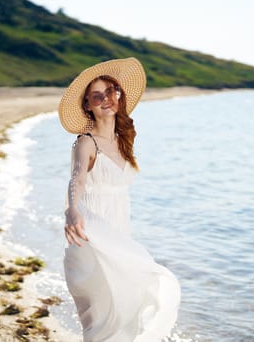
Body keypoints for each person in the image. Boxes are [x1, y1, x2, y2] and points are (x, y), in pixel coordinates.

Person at [58, 58, 181, 342]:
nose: (106, 99)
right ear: (87, 105)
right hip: (91, 234)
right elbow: (76, 178)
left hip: (119, 233)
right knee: (102, 314)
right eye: (97, 96)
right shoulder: (85, 142)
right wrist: (72, 210)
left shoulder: (124, 140)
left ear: (118, 96)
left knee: (130, 302)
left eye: (111, 92)